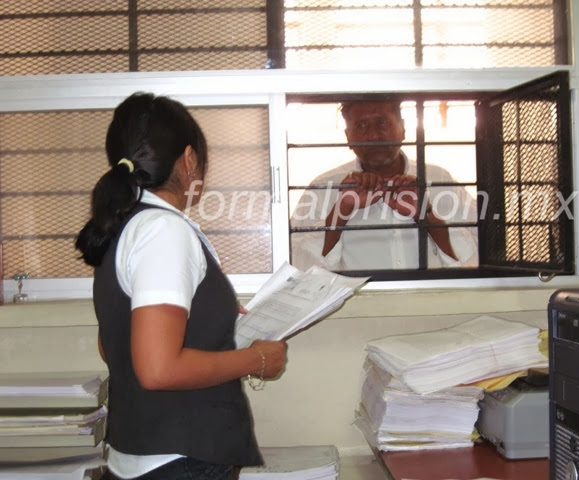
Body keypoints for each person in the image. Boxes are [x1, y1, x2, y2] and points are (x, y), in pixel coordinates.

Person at [75, 92, 287, 480]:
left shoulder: (122, 226)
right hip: (180, 460)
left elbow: (112, 345)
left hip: (146, 453)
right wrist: (258, 359)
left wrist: (211, 319)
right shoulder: (163, 231)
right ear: (189, 160)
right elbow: (157, 368)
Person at [290, 100, 478, 271]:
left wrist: (428, 217)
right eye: (361, 125)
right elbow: (298, 269)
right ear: (348, 136)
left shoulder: (440, 181)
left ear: (403, 129)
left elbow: (479, 259)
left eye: (383, 123)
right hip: (360, 308)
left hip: (432, 305)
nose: (373, 135)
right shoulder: (323, 188)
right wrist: (340, 213)